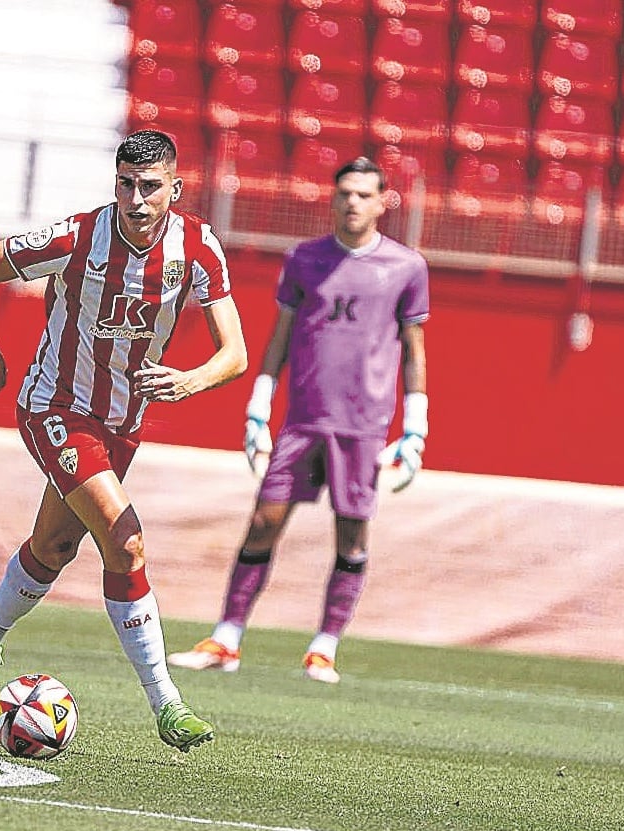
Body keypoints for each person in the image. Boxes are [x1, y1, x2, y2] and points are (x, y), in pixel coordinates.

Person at [0, 129, 248, 752]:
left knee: (53, 546)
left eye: (150, 187)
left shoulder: (197, 246)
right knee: (124, 538)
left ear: (175, 189)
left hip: (121, 425)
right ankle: (168, 703)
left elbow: (235, 354)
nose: (136, 201)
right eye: (125, 185)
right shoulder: (78, 237)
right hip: (55, 407)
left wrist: (188, 382)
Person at [167, 156, 429, 685]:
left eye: (363, 194)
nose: (352, 202)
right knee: (264, 521)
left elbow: (414, 349)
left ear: (382, 202)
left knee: (351, 535)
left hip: (363, 426)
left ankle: (325, 646)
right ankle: (227, 638)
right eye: (344, 193)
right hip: (302, 420)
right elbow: (280, 334)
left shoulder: (406, 268)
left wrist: (416, 428)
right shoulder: (304, 259)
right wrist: (259, 405)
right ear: (332, 199)